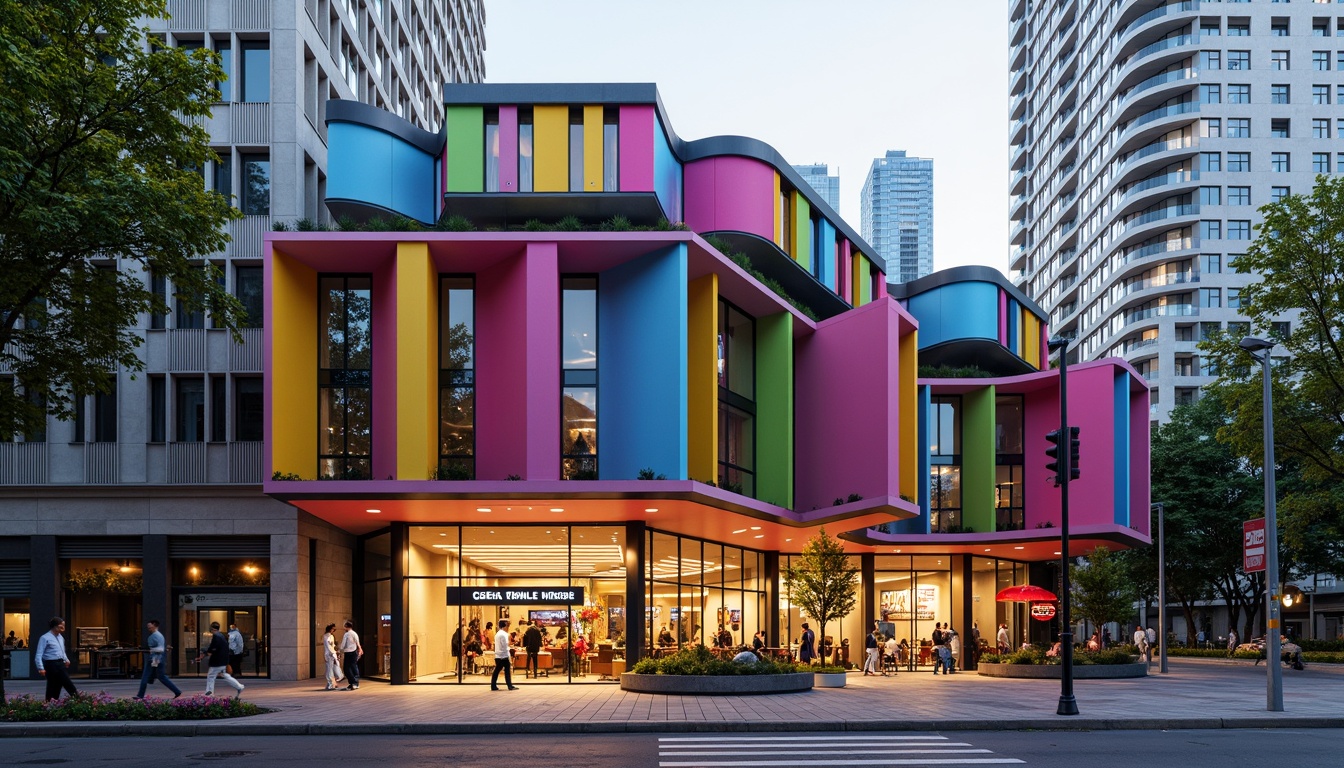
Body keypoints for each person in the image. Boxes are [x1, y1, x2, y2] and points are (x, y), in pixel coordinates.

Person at [195, 621, 245, 698]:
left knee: (211, 676)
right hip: (223, 661)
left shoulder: (216, 637)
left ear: (212, 629)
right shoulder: (222, 636)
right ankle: (239, 686)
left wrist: (205, 653)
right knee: (225, 675)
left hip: (217, 661)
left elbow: (212, 649)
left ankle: (209, 693)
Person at [135, 619, 183, 699]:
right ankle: (177, 691)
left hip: (153, 659)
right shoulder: (159, 635)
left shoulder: (155, 636)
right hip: (159, 659)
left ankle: (140, 695)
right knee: (161, 677)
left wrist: (150, 650)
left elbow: (160, 649)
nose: (148, 627)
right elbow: (162, 649)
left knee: (145, 677)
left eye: (150, 626)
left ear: (155, 625)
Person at [35, 617, 77, 701]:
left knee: (56, 684)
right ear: (55, 626)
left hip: (60, 663)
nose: (63, 628)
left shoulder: (61, 637)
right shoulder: (45, 638)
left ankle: (51, 701)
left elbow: (62, 650)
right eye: (61, 626)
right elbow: (39, 654)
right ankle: (77, 698)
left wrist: (66, 659)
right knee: (64, 682)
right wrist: (40, 667)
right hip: (51, 664)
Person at [490, 619, 518, 691]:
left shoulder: (498, 634)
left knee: (497, 670)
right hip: (503, 655)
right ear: (505, 626)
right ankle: (509, 685)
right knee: (506, 671)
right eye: (507, 625)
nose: (508, 627)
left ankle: (494, 685)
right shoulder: (504, 634)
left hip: (498, 655)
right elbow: (504, 645)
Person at [339, 619, 363, 690]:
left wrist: (340, 650)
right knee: (354, 667)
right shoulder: (354, 633)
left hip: (348, 652)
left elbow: (343, 645)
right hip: (354, 652)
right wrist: (360, 649)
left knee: (347, 669)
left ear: (346, 626)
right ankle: (355, 683)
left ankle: (353, 682)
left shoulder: (346, 634)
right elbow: (357, 642)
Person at [322, 623, 345, 690]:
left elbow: (330, 646)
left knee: (330, 668)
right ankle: (332, 682)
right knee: (331, 668)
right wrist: (335, 652)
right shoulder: (330, 636)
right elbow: (330, 646)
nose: (334, 630)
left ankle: (331, 683)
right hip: (331, 654)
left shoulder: (325, 636)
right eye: (333, 629)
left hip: (328, 654)